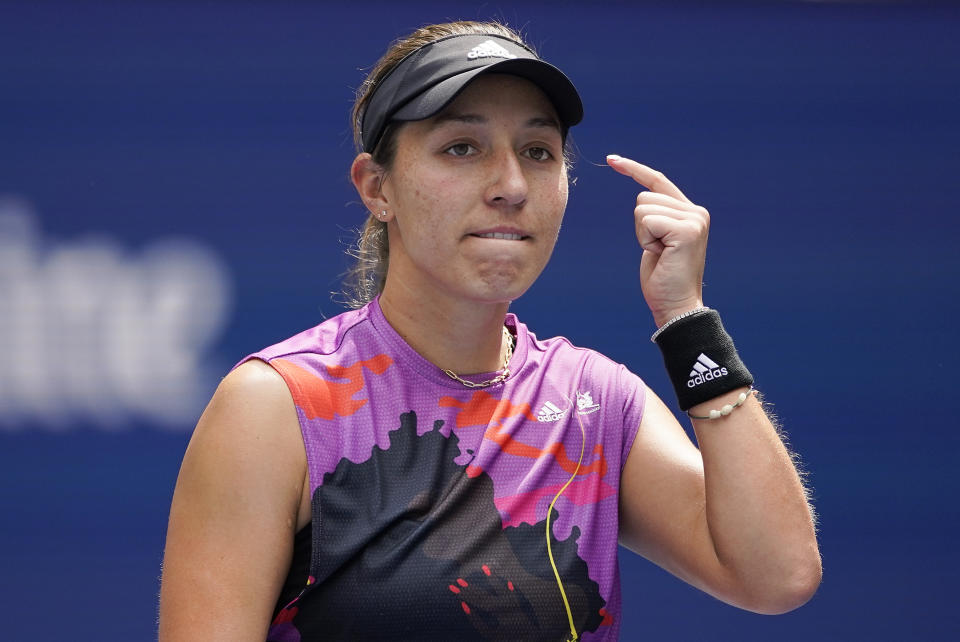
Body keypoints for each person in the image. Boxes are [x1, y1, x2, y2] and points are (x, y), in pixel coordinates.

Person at [158, 20, 821, 642]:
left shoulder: (596, 403)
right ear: (375, 187)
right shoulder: (278, 406)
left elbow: (777, 577)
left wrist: (686, 320)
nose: (510, 184)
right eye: (462, 148)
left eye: (538, 151)